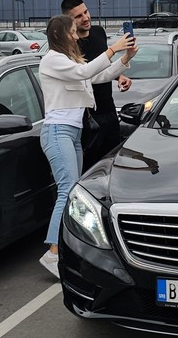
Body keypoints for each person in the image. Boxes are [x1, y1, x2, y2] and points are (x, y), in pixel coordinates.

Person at [37, 14, 137, 278]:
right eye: (72, 31)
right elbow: (84, 72)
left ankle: (62, 250)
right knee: (67, 190)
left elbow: (97, 75)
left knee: (71, 193)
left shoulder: (68, 60)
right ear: (60, 34)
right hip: (57, 132)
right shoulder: (52, 60)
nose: (75, 35)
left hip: (72, 131)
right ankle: (53, 253)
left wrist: (124, 59)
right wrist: (113, 49)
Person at [61, 0, 133, 169]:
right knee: (91, 170)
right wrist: (118, 55)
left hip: (109, 109)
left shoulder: (99, 32)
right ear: (68, 20)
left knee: (113, 165)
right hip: (88, 118)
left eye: (86, 12)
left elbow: (102, 69)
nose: (86, 18)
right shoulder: (69, 45)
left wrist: (119, 76)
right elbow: (87, 74)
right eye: (78, 16)